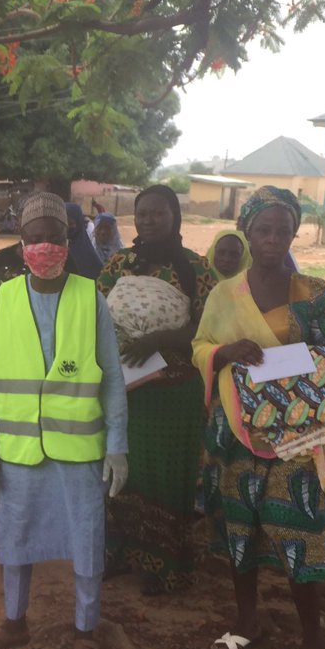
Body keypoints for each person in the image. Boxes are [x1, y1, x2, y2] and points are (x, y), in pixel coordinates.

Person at [191, 187, 325, 649]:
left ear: (294, 233)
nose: (273, 239)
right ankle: (246, 621)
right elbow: (201, 345)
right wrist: (227, 351)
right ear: (248, 233)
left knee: (298, 526)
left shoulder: (313, 290)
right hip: (239, 433)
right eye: (264, 230)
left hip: (297, 433)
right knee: (242, 525)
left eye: (283, 230)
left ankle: (313, 641)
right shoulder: (224, 294)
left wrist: (307, 360)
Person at [0, 192, 128, 649]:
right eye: (34, 239)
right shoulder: (4, 297)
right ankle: (14, 623)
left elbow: (112, 377)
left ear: (68, 241)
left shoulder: (91, 297)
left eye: (54, 239)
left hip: (78, 449)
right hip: (19, 450)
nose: (44, 248)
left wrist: (118, 445)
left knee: (86, 541)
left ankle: (86, 631)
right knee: (15, 540)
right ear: (22, 246)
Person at [98, 184, 216, 595]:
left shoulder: (196, 268)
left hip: (172, 391)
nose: (148, 221)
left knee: (164, 475)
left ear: (175, 216)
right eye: (142, 213)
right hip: (124, 388)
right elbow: (97, 313)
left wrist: (161, 339)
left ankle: (162, 563)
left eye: (157, 213)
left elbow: (209, 327)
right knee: (118, 469)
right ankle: (117, 552)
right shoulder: (119, 263)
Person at [65, 202, 105, 279]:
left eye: (70, 223)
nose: (66, 227)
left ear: (79, 223)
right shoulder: (56, 251)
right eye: (64, 223)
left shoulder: (89, 255)